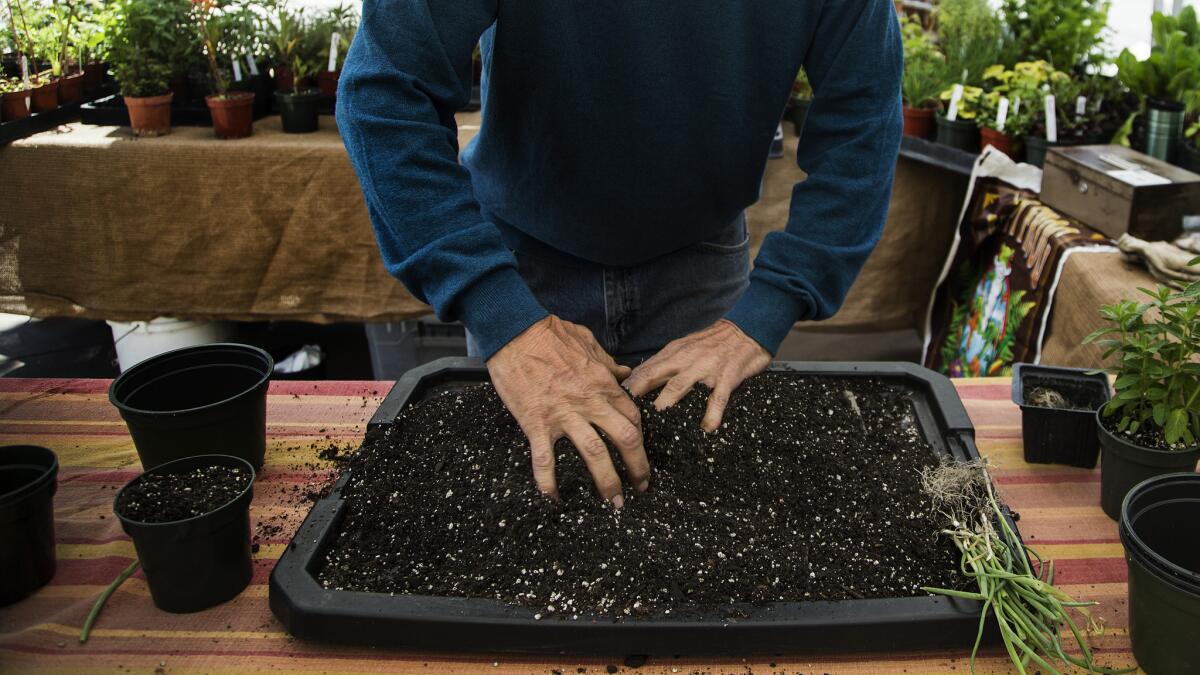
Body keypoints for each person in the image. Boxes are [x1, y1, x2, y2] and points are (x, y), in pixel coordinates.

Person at [339, 1, 903, 509]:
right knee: (527, 510)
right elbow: (385, 92)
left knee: (705, 520)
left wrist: (767, 311)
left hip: (700, 264)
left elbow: (863, 121)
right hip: (522, 265)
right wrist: (500, 314)